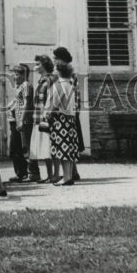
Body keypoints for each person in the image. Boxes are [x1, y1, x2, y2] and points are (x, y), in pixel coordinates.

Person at [44, 59, 80, 186]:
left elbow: (55, 104)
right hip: (70, 119)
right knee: (69, 148)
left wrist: (47, 115)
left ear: (59, 71)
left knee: (62, 149)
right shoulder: (70, 84)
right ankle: (68, 176)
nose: (53, 71)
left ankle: (66, 177)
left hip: (60, 119)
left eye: (55, 69)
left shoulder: (58, 85)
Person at [53, 45, 83, 182]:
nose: (54, 61)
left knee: (68, 141)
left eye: (56, 58)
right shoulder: (64, 73)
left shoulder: (68, 74)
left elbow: (74, 94)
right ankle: (72, 172)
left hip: (68, 111)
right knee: (70, 141)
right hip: (71, 110)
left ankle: (70, 173)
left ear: (62, 59)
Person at [29, 54, 57, 184]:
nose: (36, 67)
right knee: (44, 148)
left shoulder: (51, 80)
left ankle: (53, 175)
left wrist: (48, 115)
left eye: (38, 64)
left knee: (49, 147)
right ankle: (49, 175)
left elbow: (52, 100)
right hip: (39, 118)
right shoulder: (41, 80)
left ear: (44, 65)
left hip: (47, 118)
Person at [7, 64, 35, 183]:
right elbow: (20, 102)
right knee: (17, 148)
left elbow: (27, 103)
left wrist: (22, 120)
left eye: (17, 74)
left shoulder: (26, 85)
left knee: (26, 148)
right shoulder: (20, 86)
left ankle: (31, 173)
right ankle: (21, 173)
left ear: (24, 75)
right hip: (17, 120)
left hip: (24, 122)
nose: (14, 76)